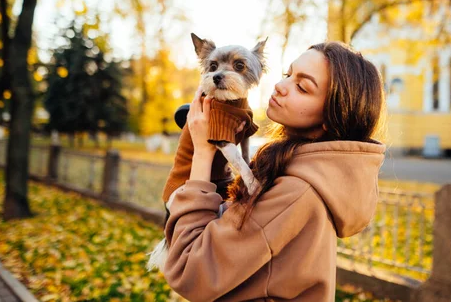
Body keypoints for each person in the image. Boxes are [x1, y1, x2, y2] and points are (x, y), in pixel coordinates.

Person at [162, 41, 386, 301]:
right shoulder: (306, 169)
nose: (280, 86)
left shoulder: (294, 192)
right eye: (287, 75)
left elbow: (190, 271)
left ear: (331, 115)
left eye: (301, 86)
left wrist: (202, 151)